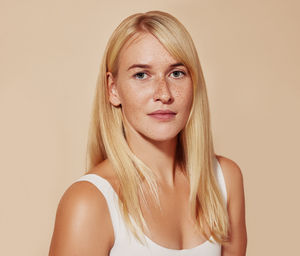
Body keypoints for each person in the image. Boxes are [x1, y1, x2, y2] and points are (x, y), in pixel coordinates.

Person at [49, 10, 247, 256]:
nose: (164, 94)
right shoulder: (89, 203)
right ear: (113, 89)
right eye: (141, 75)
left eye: (177, 73)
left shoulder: (224, 180)